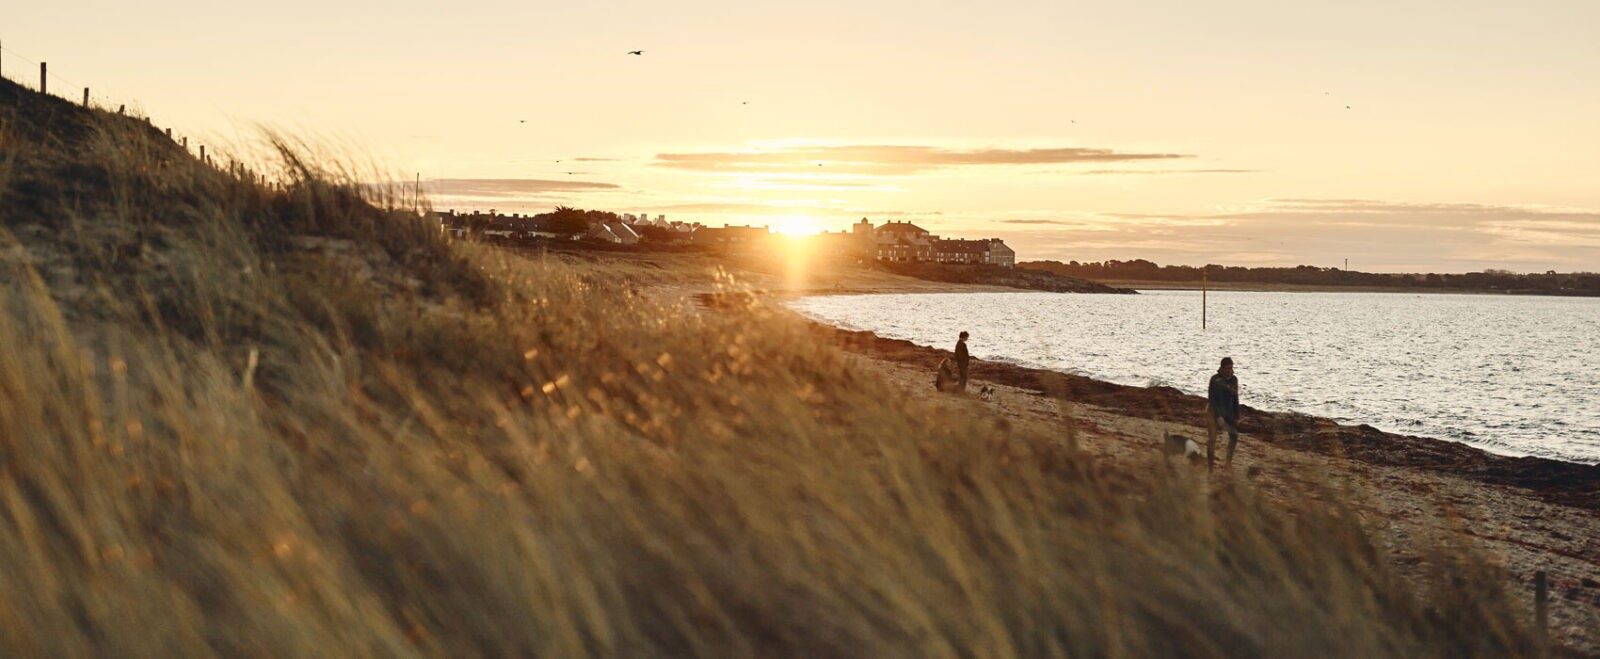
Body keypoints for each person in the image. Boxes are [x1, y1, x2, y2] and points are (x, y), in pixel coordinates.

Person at [1207, 357, 1240, 469]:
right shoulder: (1215, 380)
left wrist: (1237, 415)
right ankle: (1210, 467)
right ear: (1222, 368)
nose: (1229, 370)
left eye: (1231, 368)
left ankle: (1228, 463)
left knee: (1234, 435)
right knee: (1212, 439)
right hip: (1214, 412)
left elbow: (1235, 398)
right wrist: (1218, 416)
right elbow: (1212, 399)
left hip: (1229, 413)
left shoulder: (1234, 380)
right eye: (1227, 368)